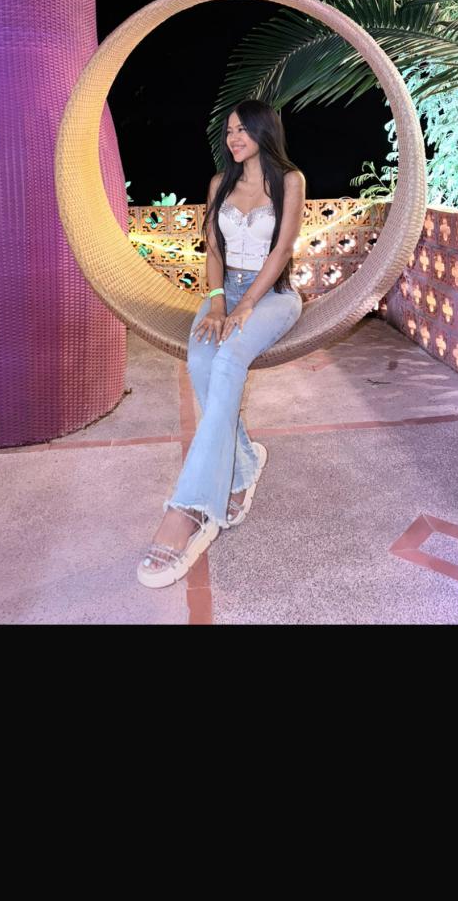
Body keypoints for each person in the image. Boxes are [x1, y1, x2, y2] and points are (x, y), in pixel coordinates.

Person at [138, 99, 306, 587]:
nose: (233, 138)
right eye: (229, 130)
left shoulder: (290, 181)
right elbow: (213, 249)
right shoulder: (220, 184)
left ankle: (189, 509)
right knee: (200, 361)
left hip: (272, 296)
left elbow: (282, 250)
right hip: (224, 291)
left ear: (263, 132)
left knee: (229, 358)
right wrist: (216, 303)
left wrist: (246, 304)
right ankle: (244, 463)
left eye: (242, 129)